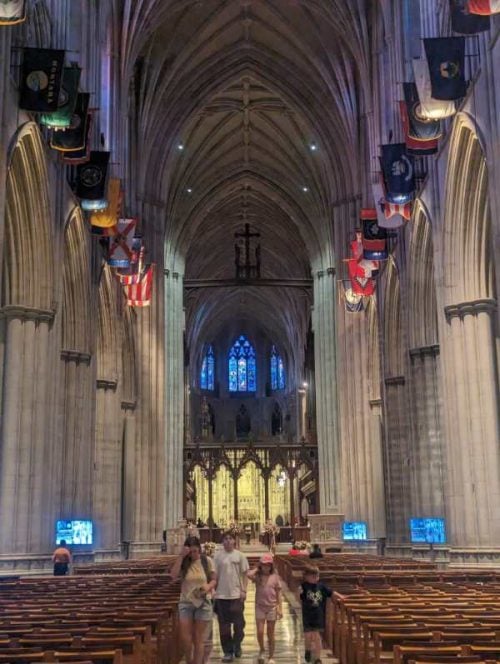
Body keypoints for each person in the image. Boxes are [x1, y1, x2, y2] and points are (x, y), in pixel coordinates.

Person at [170, 536, 217, 664]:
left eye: (195, 551)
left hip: (203, 603)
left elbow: (213, 579)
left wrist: (207, 587)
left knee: (198, 638)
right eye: (191, 552)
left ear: (199, 550)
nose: (193, 554)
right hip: (186, 603)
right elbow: (173, 576)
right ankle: (189, 660)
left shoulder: (207, 561)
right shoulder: (184, 563)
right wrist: (181, 556)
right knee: (185, 638)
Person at [213, 531, 249, 662]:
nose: (228, 541)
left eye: (230, 539)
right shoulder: (217, 556)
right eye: (225, 539)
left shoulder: (240, 556)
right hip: (221, 596)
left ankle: (237, 643)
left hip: (236, 595)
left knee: (239, 625)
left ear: (234, 541)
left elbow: (245, 575)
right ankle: (228, 651)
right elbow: (214, 576)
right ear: (222, 541)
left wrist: (244, 590)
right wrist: (213, 591)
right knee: (224, 627)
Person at [247, 552, 282, 664]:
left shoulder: (275, 577)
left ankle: (271, 656)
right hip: (260, 606)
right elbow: (248, 574)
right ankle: (262, 649)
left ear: (271, 566)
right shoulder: (258, 576)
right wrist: (258, 567)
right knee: (260, 631)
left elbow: (278, 594)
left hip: (272, 607)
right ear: (261, 565)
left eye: (268, 565)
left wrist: (279, 608)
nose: (266, 567)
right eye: (264, 565)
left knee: (270, 633)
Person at [300, 565, 332, 664]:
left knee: (317, 637)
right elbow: (299, 596)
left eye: (317, 576)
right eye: (312, 576)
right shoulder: (303, 586)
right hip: (307, 616)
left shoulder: (322, 586)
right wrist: (299, 593)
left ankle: (318, 658)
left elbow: (331, 593)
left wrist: (341, 596)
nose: (315, 578)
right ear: (306, 576)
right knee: (308, 637)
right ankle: (308, 650)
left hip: (318, 615)